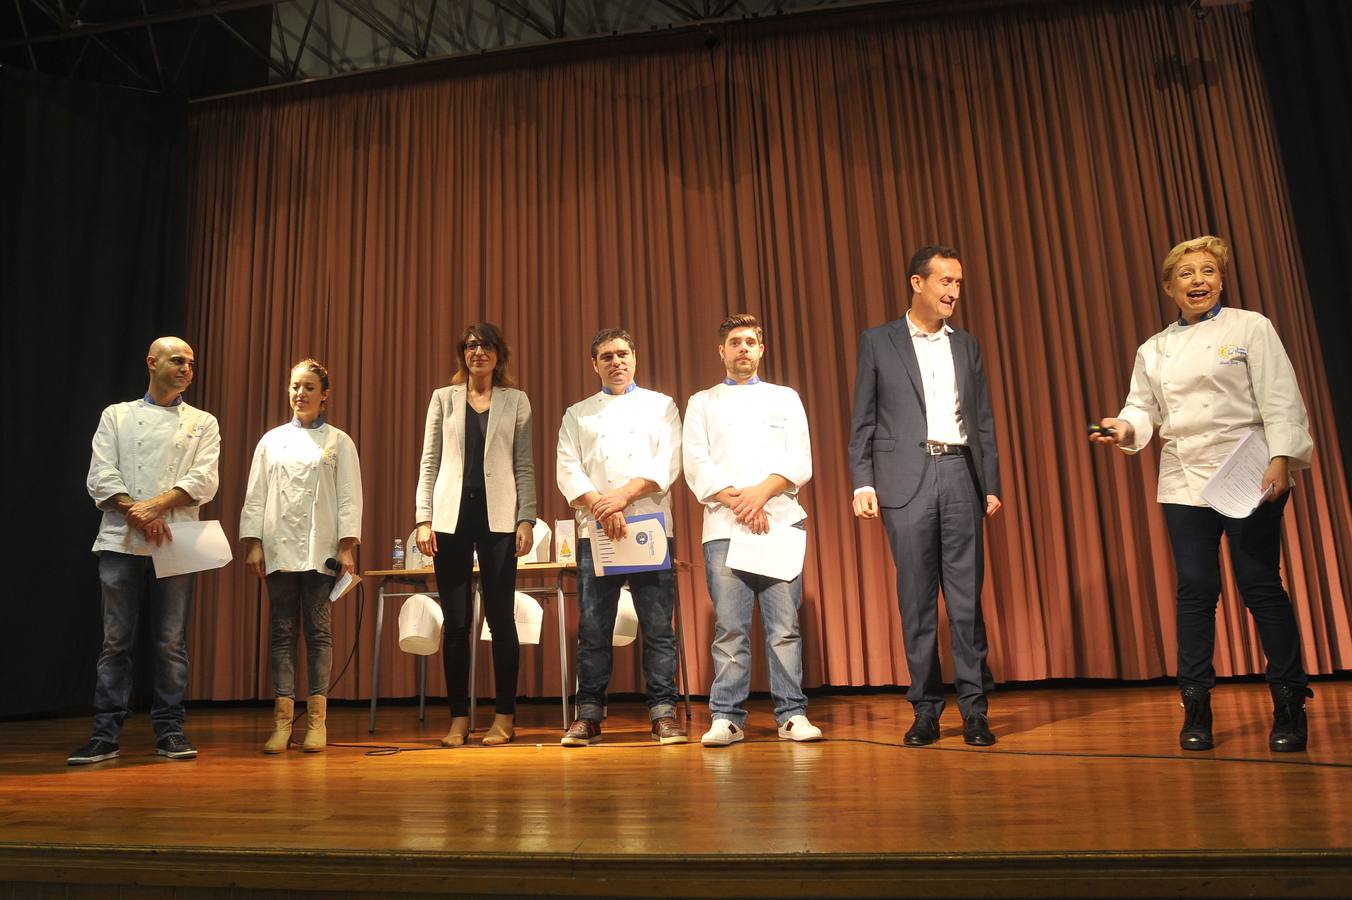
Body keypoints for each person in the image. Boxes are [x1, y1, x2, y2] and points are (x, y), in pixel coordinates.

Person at [1091, 235, 1315, 752]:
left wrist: (1282, 456)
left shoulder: (1251, 327)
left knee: (1260, 584)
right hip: (1183, 476)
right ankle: (1196, 706)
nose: (1199, 281)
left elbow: (1280, 395)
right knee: (1195, 590)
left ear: (1220, 278)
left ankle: (1288, 704)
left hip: (1248, 468)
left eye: (1208, 271)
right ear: (1169, 286)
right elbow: (1141, 409)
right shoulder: (1155, 347)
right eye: (1187, 274)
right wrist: (1124, 429)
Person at [849, 245, 1003, 748]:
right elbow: (864, 421)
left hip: (960, 473)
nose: (953, 292)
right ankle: (925, 710)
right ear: (918, 284)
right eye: (945, 282)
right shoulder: (879, 342)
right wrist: (863, 481)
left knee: (965, 602)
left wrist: (991, 484)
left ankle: (975, 710)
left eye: (958, 283)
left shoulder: (967, 345)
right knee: (916, 602)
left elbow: (981, 420)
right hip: (904, 480)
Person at [69, 337, 221, 765]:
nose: (187, 368)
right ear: (152, 363)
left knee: (170, 642)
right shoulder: (117, 415)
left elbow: (204, 480)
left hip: (175, 540)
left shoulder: (203, 422)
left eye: (191, 362)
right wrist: (136, 511)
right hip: (121, 540)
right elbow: (101, 473)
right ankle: (105, 733)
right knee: (116, 641)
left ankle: (170, 729)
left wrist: (155, 506)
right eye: (178, 361)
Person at [683, 314, 822, 746]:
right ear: (720, 352)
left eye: (750, 342)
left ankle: (792, 714)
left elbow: (800, 460)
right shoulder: (701, 402)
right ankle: (726, 716)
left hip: (779, 521)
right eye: (734, 342)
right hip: (725, 527)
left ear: (761, 350)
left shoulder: (785, 397)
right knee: (730, 628)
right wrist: (741, 502)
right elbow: (695, 463)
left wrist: (760, 495)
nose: (743, 348)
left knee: (784, 627)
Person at [556, 328, 686, 746]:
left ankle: (663, 713)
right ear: (594, 365)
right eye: (607, 356)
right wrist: (602, 506)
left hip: (649, 527)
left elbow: (667, 463)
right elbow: (568, 469)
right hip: (597, 531)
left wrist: (621, 498)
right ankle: (588, 714)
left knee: (657, 628)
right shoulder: (577, 414)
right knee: (593, 628)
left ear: (635, 357)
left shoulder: (661, 406)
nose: (616, 362)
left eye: (622, 354)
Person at [415, 323, 536, 747]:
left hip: (499, 521)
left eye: (485, 346)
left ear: (498, 354)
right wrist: (423, 518)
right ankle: (458, 719)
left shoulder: (516, 401)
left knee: (501, 621)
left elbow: (523, 464)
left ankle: (504, 717)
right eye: (470, 346)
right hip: (450, 521)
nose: (477, 352)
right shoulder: (442, 400)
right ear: (462, 354)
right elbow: (429, 461)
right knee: (457, 622)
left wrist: (527, 519)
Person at [240, 359, 363, 754]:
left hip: (320, 548)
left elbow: (349, 496)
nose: (300, 394)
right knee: (281, 633)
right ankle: (281, 722)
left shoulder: (339, 442)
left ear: (324, 395)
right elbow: (256, 493)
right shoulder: (271, 440)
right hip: (277, 544)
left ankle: (316, 721)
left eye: (309, 387)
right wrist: (254, 541)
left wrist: (346, 546)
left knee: (318, 632)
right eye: (295, 386)